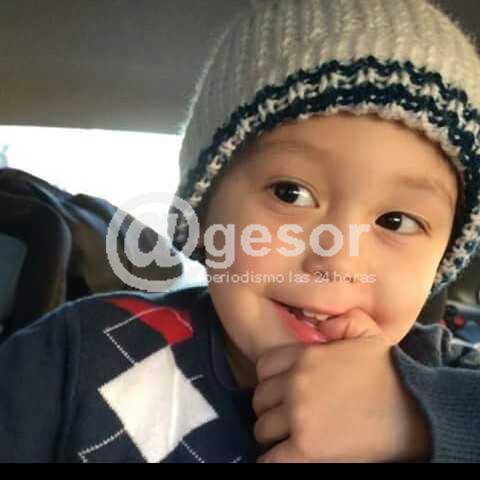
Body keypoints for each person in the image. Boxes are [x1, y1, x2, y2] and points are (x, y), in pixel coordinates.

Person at [1, 0, 480, 463]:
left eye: (396, 222)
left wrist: (420, 418)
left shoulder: (446, 372)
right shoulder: (75, 355)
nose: (338, 258)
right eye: (291, 193)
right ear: (204, 216)